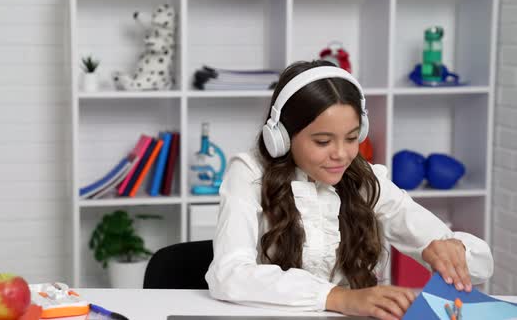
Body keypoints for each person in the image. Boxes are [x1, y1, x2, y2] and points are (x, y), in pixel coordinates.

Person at [205, 60, 493, 320]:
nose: (342, 154)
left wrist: (448, 250)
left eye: (352, 138)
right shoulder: (249, 174)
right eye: (322, 141)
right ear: (281, 137)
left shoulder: (364, 179)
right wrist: (338, 297)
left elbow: (480, 265)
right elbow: (229, 274)